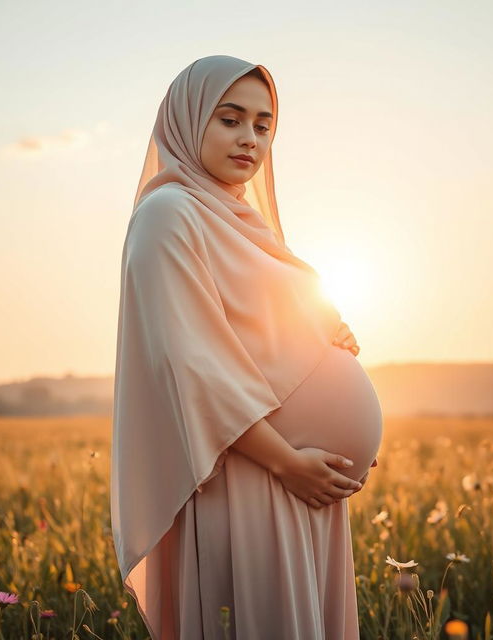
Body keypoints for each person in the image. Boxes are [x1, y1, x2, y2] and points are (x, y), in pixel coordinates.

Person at [111, 54, 382, 640]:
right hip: (254, 473)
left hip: (304, 478)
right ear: (187, 121)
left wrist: (325, 336)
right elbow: (191, 368)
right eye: (230, 119)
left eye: (264, 125)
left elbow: (259, 334)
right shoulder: (168, 216)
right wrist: (289, 460)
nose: (250, 139)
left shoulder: (237, 220)